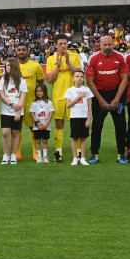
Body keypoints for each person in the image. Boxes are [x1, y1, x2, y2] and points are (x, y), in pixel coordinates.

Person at [85, 36, 129, 164]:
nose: (107, 47)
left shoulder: (120, 57)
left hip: (117, 93)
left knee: (121, 126)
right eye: (105, 45)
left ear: (113, 44)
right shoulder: (93, 58)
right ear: (100, 45)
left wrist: (117, 99)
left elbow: (124, 79)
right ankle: (94, 153)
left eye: (109, 44)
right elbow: (90, 81)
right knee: (97, 125)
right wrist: (100, 100)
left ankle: (121, 154)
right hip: (99, 94)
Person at [45, 34, 82, 163]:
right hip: (58, 96)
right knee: (59, 124)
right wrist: (58, 66)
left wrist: (68, 62)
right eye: (60, 44)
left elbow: (78, 75)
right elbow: (49, 80)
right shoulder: (51, 59)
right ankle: (59, 153)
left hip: (74, 97)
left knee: (76, 124)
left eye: (65, 43)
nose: (63, 46)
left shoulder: (75, 56)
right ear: (55, 45)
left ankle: (78, 154)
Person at [16, 43, 45, 160]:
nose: (21, 51)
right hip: (16, 104)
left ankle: (36, 152)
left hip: (32, 103)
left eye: (24, 50)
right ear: (16, 52)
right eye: (19, 50)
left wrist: (40, 99)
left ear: (28, 52)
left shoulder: (35, 66)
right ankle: (17, 153)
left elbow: (41, 84)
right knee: (17, 128)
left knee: (33, 128)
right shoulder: (13, 66)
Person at [0, 58, 27, 165]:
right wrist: (11, 104)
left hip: (18, 112)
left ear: (14, 66)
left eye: (9, 65)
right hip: (6, 111)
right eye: (6, 66)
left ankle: (13, 155)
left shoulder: (22, 81)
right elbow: (2, 94)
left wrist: (18, 112)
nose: (7, 67)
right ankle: (6, 155)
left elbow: (22, 97)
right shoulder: (3, 79)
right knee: (5, 133)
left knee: (15, 133)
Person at [64, 70, 93, 166]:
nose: (79, 78)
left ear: (83, 78)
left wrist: (89, 119)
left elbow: (90, 106)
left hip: (84, 117)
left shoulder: (87, 90)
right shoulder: (70, 90)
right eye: (77, 76)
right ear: (73, 78)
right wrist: (79, 97)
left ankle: (83, 158)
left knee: (84, 138)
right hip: (74, 117)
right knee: (74, 138)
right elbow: (68, 105)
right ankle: (75, 158)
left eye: (81, 76)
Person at [29, 84, 54, 163]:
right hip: (37, 126)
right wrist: (37, 123)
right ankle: (39, 156)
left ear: (44, 91)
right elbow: (32, 113)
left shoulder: (49, 102)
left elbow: (51, 113)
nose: (38, 93)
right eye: (37, 91)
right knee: (38, 141)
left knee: (45, 141)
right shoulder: (34, 103)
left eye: (40, 91)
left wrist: (46, 123)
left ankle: (45, 156)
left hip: (46, 125)